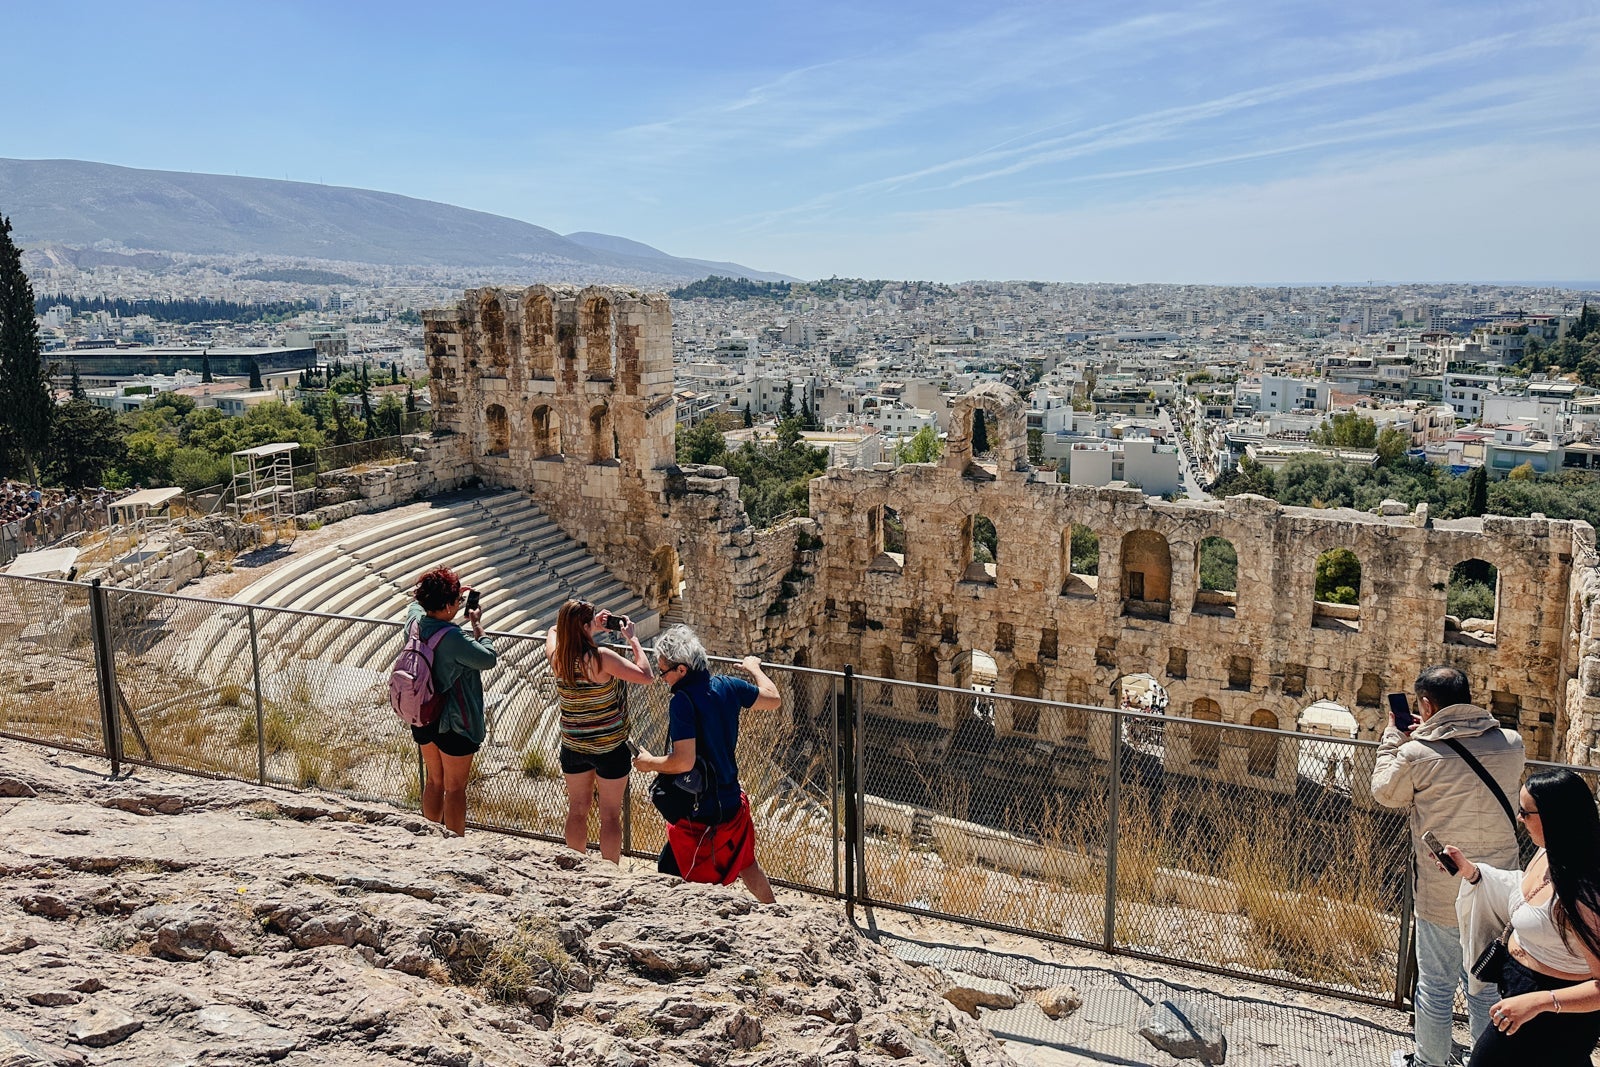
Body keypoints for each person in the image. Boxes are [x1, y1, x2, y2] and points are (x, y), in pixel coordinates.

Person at [1372, 664, 1525, 1067]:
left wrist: (1394, 738)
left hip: (1442, 889)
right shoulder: (1512, 743)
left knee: (1436, 987)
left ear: (1425, 703)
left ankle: (1430, 1061)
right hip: (1497, 888)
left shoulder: (1416, 752)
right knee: (1485, 987)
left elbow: (1386, 792)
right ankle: (1488, 1061)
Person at [1438, 770, 1600, 1065]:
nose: (1519, 818)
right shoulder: (1547, 853)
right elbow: (1525, 891)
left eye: (1525, 812)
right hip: (1522, 993)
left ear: (1554, 816)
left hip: (1553, 1013)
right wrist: (1473, 873)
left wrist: (1539, 1002)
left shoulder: (1583, 895)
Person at [631, 625, 781, 903]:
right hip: (731, 800)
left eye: (664, 671)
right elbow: (773, 699)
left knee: (671, 871)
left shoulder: (682, 702)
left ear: (682, 670)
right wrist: (754, 668)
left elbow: (683, 762)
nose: (663, 678)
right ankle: (777, 916)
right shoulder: (728, 686)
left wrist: (649, 762)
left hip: (702, 811)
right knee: (747, 864)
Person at [544, 599, 653, 863]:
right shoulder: (601, 658)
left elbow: (553, 631)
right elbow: (646, 675)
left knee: (577, 809)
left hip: (574, 744)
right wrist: (633, 639)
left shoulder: (557, 656)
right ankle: (609, 870)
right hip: (610, 746)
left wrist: (589, 624)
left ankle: (574, 863)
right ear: (583, 626)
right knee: (609, 814)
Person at [406, 566, 497, 837]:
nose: (459, 605)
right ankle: (455, 847)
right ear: (446, 605)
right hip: (455, 721)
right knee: (455, 787)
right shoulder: (453, 638)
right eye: (456, 601)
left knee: (434, 780)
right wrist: (477, 624)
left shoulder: (414, 621)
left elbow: (415, 603)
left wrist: (449, 591)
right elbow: (487, 658)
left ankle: (429, 837)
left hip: (422, 713)